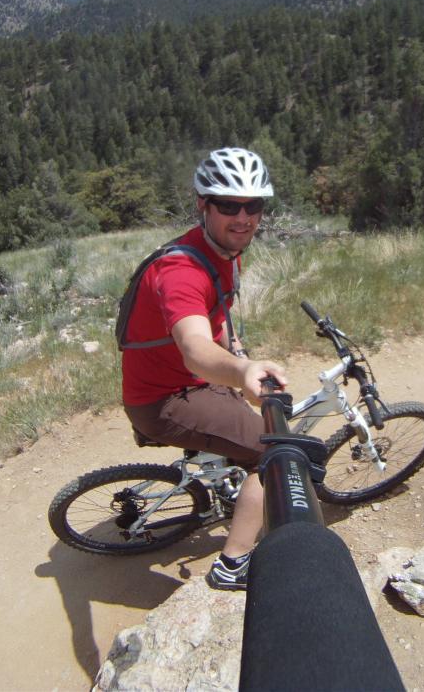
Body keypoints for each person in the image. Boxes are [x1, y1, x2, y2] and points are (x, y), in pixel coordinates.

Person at [121, 147, 289, 590]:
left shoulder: (223, 249)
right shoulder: (180, 268)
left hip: (186, 383)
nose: (244, 217)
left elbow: (215, 319)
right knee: (272, 454)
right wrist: (239, 372)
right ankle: (232, 564)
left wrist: (237, 354)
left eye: (254, 206)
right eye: (229, 205)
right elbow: (195, 346)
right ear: (203, 204)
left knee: (247, 428)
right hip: (166, 398)